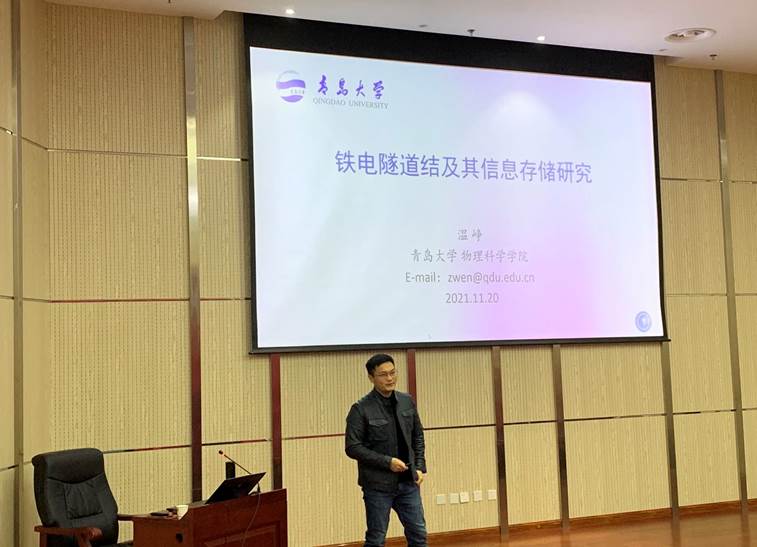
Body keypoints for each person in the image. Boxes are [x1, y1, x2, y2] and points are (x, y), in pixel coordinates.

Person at [345, 354, 428, 547]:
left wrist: (419, 467)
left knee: (419, 535)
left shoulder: (406, 401)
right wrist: (387, 462)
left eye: (393, 373)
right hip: (377, 485)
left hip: (408, 482)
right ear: (371, 377)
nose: (390, 378)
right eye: (383, 375)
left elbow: (417, 435)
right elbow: (352, 447)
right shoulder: (360, 409)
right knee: (376, 539)